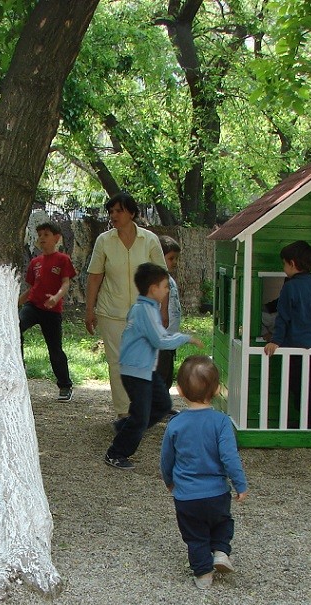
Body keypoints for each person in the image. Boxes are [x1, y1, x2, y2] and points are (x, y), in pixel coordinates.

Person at [160, 356, 248, 590]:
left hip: (187, 495)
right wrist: (240, 484)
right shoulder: (221, 422)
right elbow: (230, 457)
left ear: (180, 390)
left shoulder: (176, 423)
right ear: (218, 390)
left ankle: (203, 574)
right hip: (217, 492)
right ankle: (220, 551)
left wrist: (169, 481)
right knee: (222, 522)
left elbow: (166, 458)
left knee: (195, 535)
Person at [104, 263, 202, 470]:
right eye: (165, 286)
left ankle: (124, 427)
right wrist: (186, 338)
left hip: (146, 369)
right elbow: (160, 341)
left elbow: (157, 335)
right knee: (141, 418)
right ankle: (116, 453)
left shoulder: (146, 308)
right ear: (153, 288)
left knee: (163, 405)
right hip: (136, 371)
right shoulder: (145, 311)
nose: (167, 291)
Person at [86, 192, 167, 418]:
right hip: (111, 312)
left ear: (131, 213)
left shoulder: (149, 240)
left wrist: (163, 310)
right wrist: (89, 309)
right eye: (111, 211)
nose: (114, 215)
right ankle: (124, 412)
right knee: (117, 363)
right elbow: (94, 276)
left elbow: (162, 278)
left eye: (119, 211)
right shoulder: (104, 241)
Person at [263, 241, 311, 429]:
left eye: (284, 263)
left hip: (295, 347)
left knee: (300, 385)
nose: (283, 268)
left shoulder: (290, 288)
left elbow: (283, 318)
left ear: (292, 263)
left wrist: (276, 341)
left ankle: (308, 420)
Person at [19, 221, 77, 402]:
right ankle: (20, 366)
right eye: (40, 235)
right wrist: (16, 303)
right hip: (33, 306)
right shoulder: (35, 262)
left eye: (46, 235)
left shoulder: (63, 259)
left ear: (57, 238)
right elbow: (31, 288)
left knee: (55, 349)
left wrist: (56, 297)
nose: (42, 238)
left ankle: (65, 386)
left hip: (52, 310)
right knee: (15, 327)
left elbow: (65, 283)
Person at [155, 235, 182, 393]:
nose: (175, 262)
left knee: (167, 374)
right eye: (171, 258)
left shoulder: (168, 278)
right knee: (160, 372)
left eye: (176, 258)